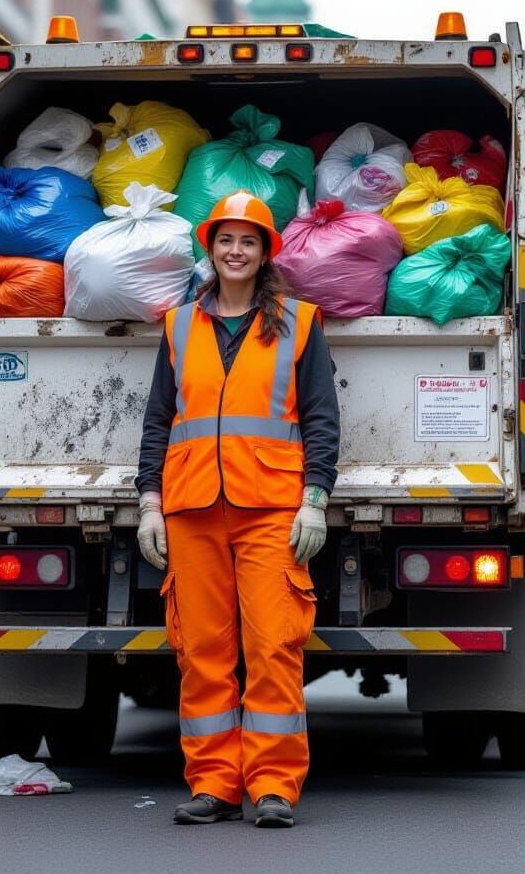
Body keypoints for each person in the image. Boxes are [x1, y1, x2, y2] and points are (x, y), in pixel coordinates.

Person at [136, 191, 340, 829]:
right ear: (211, 247)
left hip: (270, 508)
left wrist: (316, 499)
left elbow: (321, 418)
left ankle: (274, 786)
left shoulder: (299, 322)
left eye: (248, 241)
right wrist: (148, 504)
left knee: (274, 645)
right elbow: (157, 421)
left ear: (265, 251)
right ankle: (214, 784)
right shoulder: (178, 325)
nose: (235, 250)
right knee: (200, 650)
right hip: (193, 508)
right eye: (225, 239)